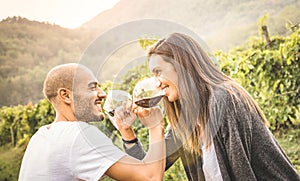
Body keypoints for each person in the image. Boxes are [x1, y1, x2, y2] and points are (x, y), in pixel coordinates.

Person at [118, 33, 300, 180]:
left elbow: (242, 173)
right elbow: (150, 171)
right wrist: (129, 133)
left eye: (158, 72)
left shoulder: (223, 99)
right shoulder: (186, 118)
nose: (156, 83)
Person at [18, 63, 166, 181]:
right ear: (66, 96)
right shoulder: (78, 135)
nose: (102, 93)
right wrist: (155, 126)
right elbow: (150, 177)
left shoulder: (40, 136)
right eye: (92, 87)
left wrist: (126, 131)